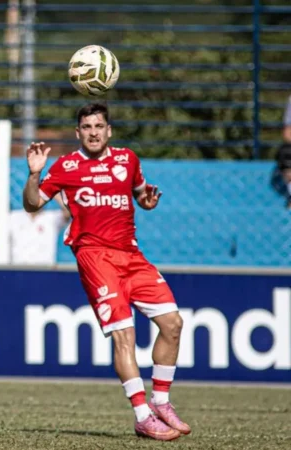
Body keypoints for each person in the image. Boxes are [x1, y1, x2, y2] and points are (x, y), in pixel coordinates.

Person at [22, 103, 188, 441]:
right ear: (78, 132)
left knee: (173, 323)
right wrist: (34, 173)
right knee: (124, 335)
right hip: (94, 257)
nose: (93, 132)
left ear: (109, 130)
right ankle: (142, 416)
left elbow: (141, 195)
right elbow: (31, 204)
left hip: (132, 255)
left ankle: (161, 402)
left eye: (99, 126)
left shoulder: (128, 160)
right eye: (86, 126)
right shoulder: (66, 166)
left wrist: (147, 203)